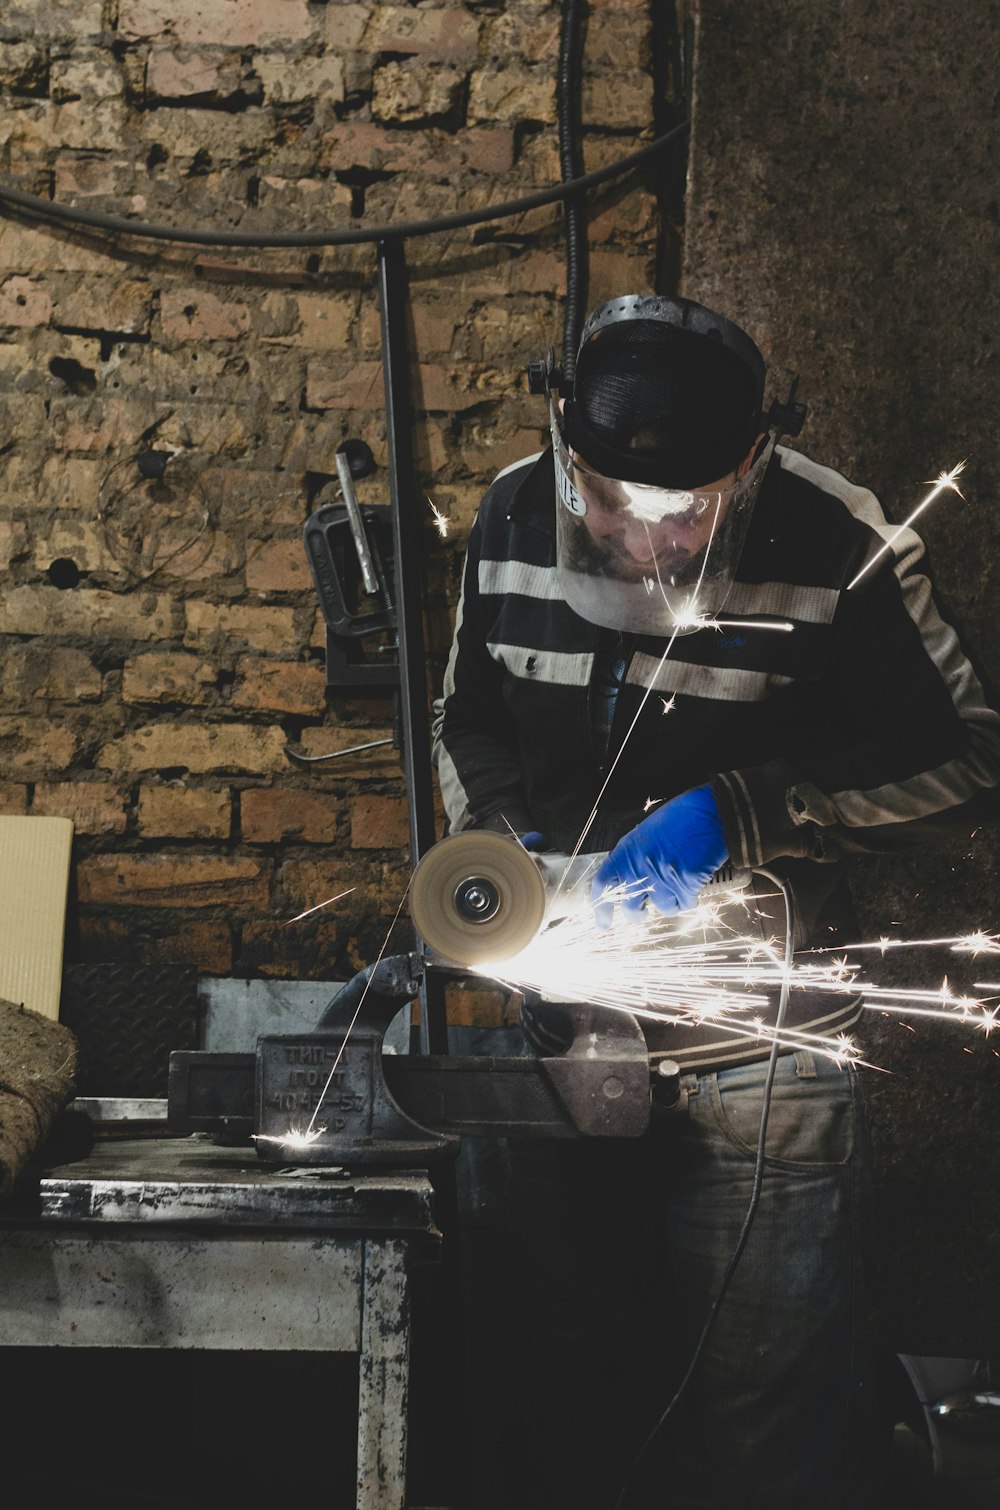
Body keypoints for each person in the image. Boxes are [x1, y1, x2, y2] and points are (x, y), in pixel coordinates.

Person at [430, 293, 1000, 1508]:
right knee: (559, 1407)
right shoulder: (510, 514)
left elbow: (971, 760)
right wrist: (495, 831)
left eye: (685, 512)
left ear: (752, 458)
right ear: (562, 442)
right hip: (558, 1045)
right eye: (614, 507)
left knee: (757, 1432)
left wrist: (749, 810)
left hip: (762, 1061)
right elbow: (464, 715)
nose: (649, 544)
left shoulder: (845, 538)